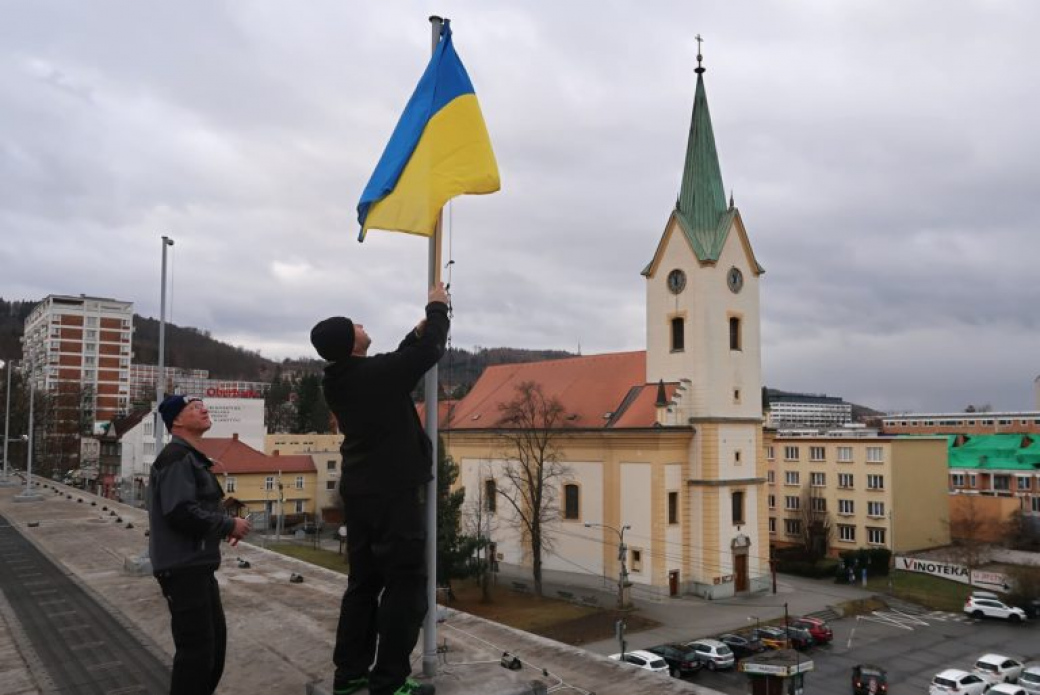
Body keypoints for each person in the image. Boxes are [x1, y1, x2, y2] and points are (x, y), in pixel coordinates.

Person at [311, 282, 450, 695]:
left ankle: (350, 675)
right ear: (350, 343)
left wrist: (416, 331)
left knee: (364, 584)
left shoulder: (341, 378)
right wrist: (438, 309)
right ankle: (388, 682)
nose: (362, 324)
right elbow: (426, 355)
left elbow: (397, 363)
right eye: (355, 325)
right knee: (407, 587)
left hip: (362, 492)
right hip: (392, 492)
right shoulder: (370, 376)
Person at [148, 395, 251, 695]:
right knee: (197, 655)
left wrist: (222, 528)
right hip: (182, 569)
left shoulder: (190, 457)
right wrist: (229, 524)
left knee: (213, 650)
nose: (204, 410)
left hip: (197, 566)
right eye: (194, 408)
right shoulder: (176, 458)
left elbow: (197, 506)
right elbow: (179, 511)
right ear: (176, 421)